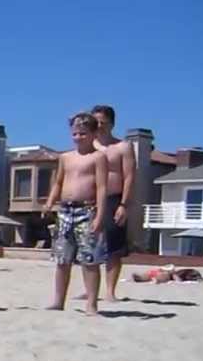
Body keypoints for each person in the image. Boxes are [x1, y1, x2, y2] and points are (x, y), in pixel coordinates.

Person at [43, 112, 108, 314]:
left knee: (89, 260)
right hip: (65, 210)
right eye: (75, 134)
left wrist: (99, 216)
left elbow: (101, 188)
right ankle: (58, 300)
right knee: (62, 259)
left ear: (93, 133)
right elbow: (59, 182)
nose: (78, 137)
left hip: (86, 210)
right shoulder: (65, 157)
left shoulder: (98, 157)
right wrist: (49, 202)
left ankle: (91, 303)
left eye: (83, 133)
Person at [87, 104, 136, 301]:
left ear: (112, 123)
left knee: (113, 248)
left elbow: (130, 176)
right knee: (89, 246)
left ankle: (110, 291)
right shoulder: (87, 145)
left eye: (103, 122)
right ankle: (90, 290)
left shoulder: (122, 147)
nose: (99, 126)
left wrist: (124, 204)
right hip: (90, 200)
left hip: (113, 199)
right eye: (96, 122)